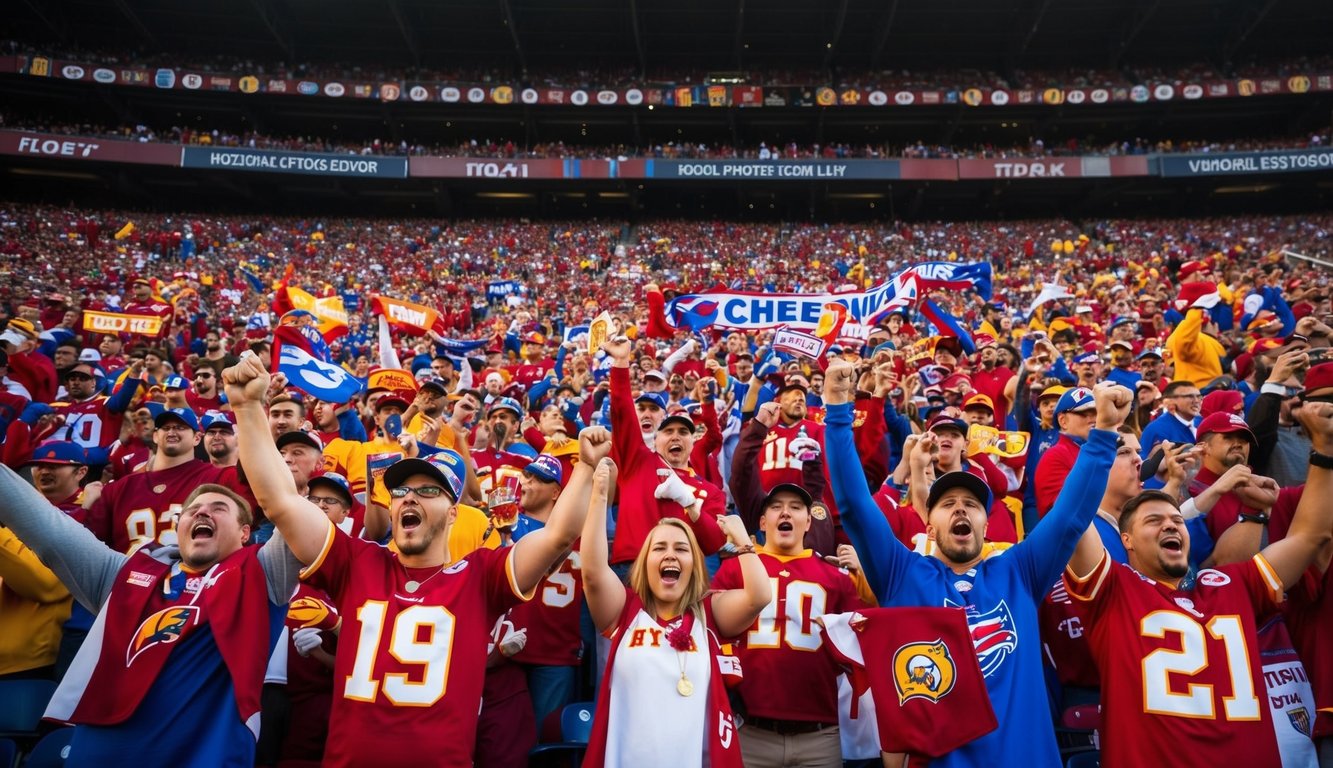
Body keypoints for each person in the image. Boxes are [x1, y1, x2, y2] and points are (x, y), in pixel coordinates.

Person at [226, 352, 601, 768]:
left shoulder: (480, 576)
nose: (409, 497)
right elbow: (279, 501)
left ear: (455, 512)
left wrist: (585, 468)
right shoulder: (356, 561)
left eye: (428, 491)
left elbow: (558, 535)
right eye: (403, 490)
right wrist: (246, 407)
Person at [825, 358, 1128, 767]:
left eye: (972, 504)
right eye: (948, 504)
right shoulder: (902, 574)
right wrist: (838, 410)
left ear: (988, 524)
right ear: (928, 526)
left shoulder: (1019, 572)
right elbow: (854, 506)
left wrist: (1105, 432)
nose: (961, 510)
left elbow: (1071, 515)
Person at [1061, 400, 1333, 768]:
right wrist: (1104, 432)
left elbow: (1310, 537)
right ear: (1126, 541)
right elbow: (1070, 518)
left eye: (1175, 519)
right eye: (1153, 521)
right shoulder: (1114, 591)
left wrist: (1325, 451)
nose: (1171, 524)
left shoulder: (1231, 583)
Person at [0, 465, 300, 766]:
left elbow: (290, 510)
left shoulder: (263, 577)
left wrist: (252, 420)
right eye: (192, 510)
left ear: (245, 532)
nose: (202, 513)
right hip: (102, 752)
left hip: (204, 755)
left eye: (218, 508)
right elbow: (51, 531)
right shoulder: (121, 575)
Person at [579, 457, 769, 768]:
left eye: (681, 549)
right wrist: (600, 497)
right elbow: (593, 572)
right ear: (644, 562)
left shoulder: (709, 613)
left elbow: (759, 596)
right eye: (659, 548)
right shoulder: (624, 610)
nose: (670, 554)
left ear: (695, 565)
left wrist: (744, 542)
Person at [711, 478, 865, 768]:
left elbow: (864, 645)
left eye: (795, 507)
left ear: (808, 522)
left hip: (819, 734)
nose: (785, 513)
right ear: (762, 521)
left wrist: (865, 579)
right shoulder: (735, 569)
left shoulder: (837, 579)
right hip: (749, 730)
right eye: (776, 507)